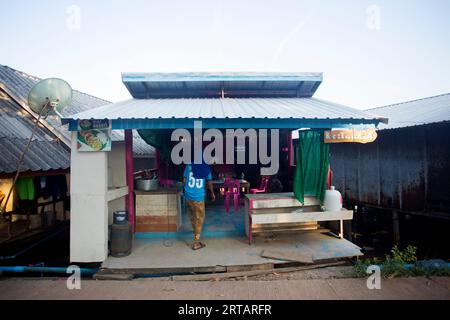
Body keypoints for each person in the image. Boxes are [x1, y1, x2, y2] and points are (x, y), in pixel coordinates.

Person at [183, 162, 215, 250]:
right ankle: (196, 243)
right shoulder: (206, 167)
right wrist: (212, 193)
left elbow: (184, 181)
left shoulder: (188, 166)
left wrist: (188, 190)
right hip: (198, 196)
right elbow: (209, 183)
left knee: (192, 215)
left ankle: (196, 232)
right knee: (200, 218)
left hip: (188, 195)